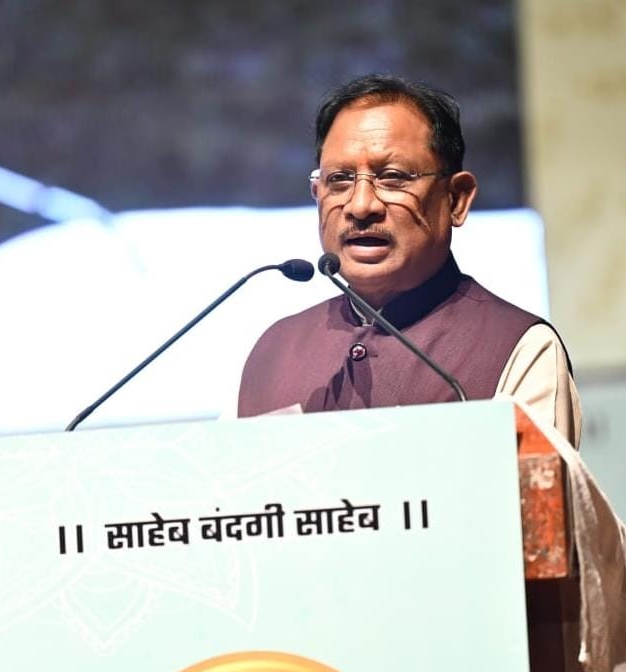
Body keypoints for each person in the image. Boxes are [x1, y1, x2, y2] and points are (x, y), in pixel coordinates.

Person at [238, 74, 581, 448]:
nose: (360, 205)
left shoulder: (521, 348)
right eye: (339, 180)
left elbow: (532, 487)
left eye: (392, 177)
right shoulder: (273, 351)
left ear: (456, 199)